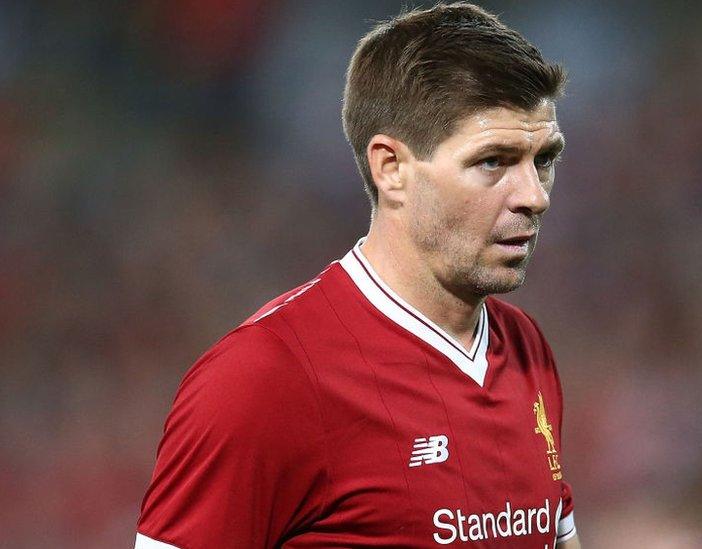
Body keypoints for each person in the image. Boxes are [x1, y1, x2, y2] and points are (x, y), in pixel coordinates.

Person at [135, 3, 580, 547]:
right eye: (493, 161)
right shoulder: (266, 377)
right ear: (391, 168)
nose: (534, 196)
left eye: (544, 160)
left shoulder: (526, 349)